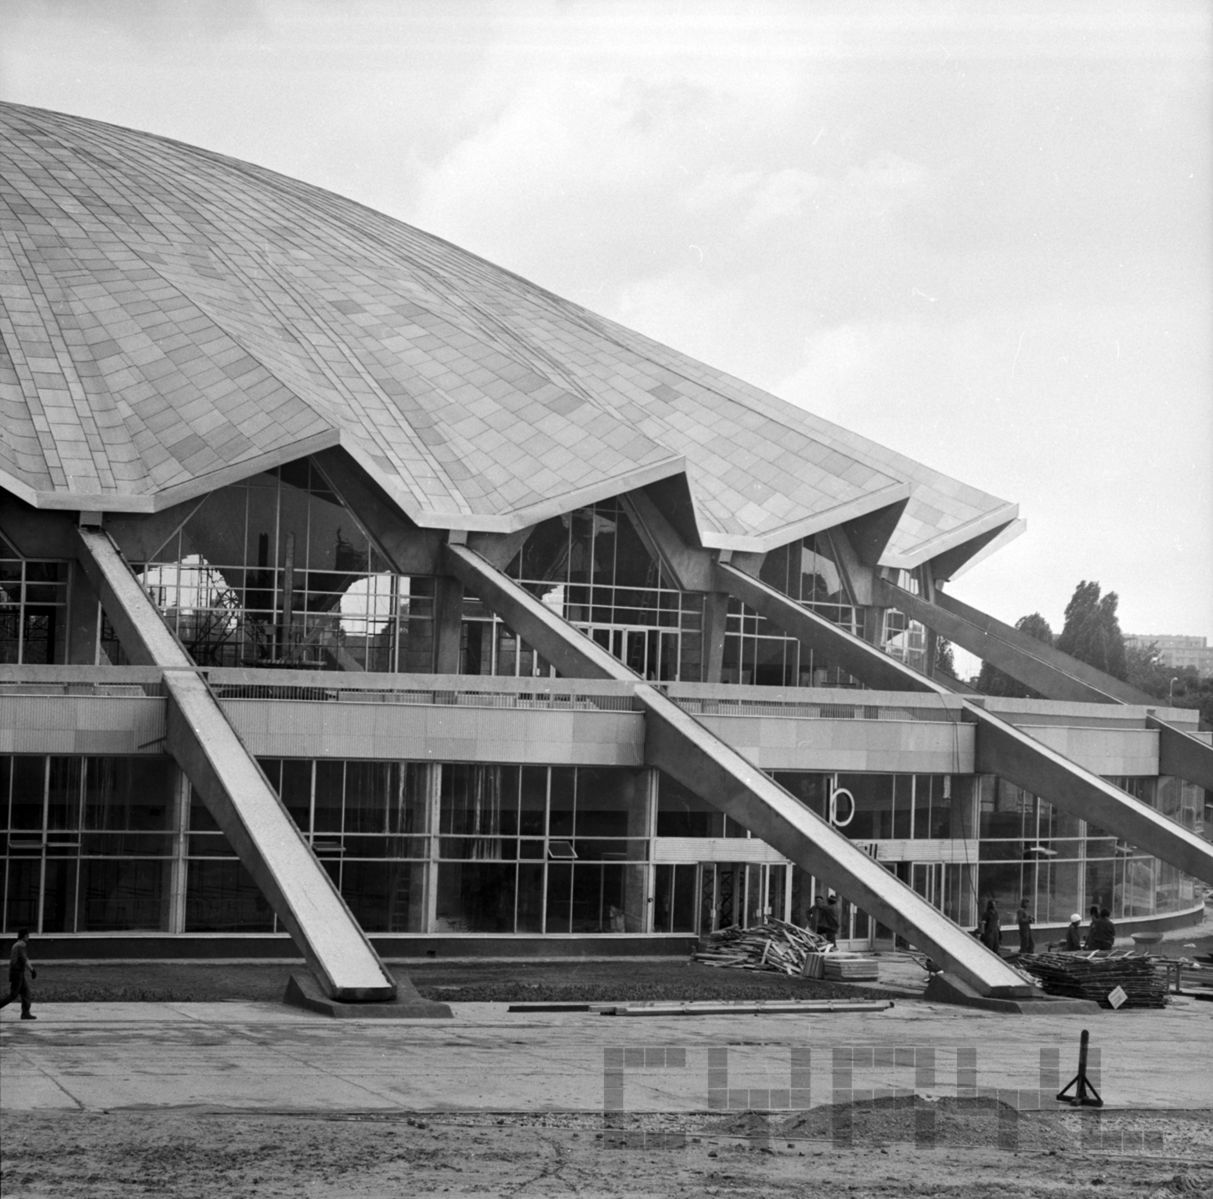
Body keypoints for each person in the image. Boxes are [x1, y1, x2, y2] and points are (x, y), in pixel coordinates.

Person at [0, 928, 37, 1019]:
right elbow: (24, 960)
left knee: (26, 992)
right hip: (17, 973)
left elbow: (24, 959)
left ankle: (25, 1013)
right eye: (28, 936)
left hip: (18, 972)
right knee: (13, 995)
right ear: (24, 936)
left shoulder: (17, 944)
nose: (28, 937)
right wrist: (32, 970)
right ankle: (25, 1013)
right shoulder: (21, 945)